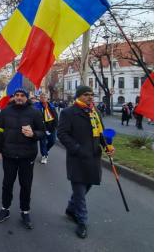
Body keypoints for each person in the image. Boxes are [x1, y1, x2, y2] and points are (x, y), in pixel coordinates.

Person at [57, 85, 115, 239]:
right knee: (80, 192)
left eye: (92, 94)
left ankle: (70, 208)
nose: (90, 97)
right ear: (78, 96)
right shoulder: (68, 113)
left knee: (87, 186)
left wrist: (107, 146)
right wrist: (76, 148)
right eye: (86, 94)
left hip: (94, 158)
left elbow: (101, 133)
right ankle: (82, 221)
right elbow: (62, 134)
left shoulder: (95, 112)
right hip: (77, 158)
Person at [0, 88, 45, 230]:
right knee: (7, 184)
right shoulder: (5, 111)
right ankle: (5, 209)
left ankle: (25, 211)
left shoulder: (34, 112)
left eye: (22, 95)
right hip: (9, 155)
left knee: (26, 185)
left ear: (27, 98)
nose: (19, 98)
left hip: (27, 155)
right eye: (17, 95)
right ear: (14, 97)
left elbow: (42, 132)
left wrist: (33, 134)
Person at [34, 93, 58, 164]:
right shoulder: (36, 106)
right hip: (42, 128)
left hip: (51, 127)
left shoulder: (51, 106)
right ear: (40, 98)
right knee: (43, 142)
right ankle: (44, 155)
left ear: (47, 98)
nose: (43, 98)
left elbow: (55, 117)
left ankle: (46, 150)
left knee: (52, 141)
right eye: (42, 97)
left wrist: (55, 126)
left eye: (45, 97)